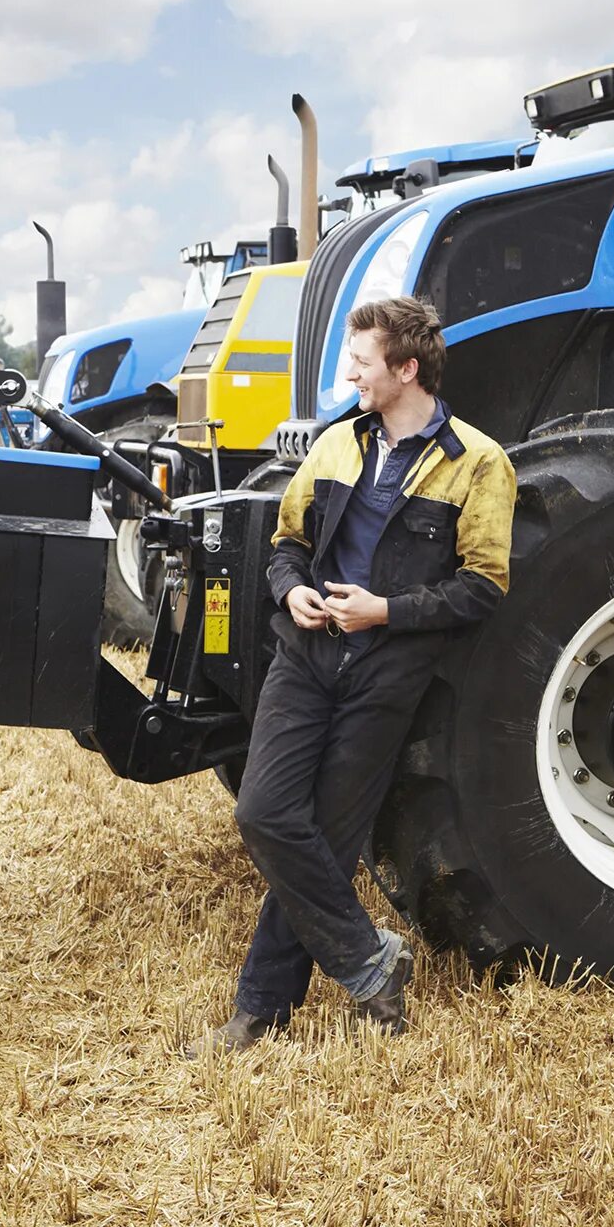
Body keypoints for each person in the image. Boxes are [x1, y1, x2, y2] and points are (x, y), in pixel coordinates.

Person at [193, 295, 516, 1053]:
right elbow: (286, 543)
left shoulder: (479, 464)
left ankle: (257, 1013)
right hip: (306, 658)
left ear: (407, 369)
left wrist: (386, 611)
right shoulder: (339, 445)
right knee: (264, 813)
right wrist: (291, 589)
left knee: (332, 843)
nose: (351, 374)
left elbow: (485, 587)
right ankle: (371, 965)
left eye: (363, 363)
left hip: (386, 673)